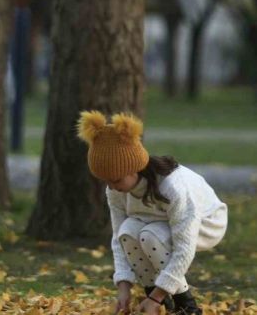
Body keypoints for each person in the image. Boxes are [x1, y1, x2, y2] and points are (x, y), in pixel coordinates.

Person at [77, 111, 228, 315]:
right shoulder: (115, 189)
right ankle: (159, 305)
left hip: (206, 223)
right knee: (128, 231)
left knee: (150, 236)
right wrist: (123, 286)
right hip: (156, 223)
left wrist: (154, 297)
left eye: (116, 179)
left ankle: (187, 307)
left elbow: (184, 247)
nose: (111, 186)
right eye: (106, 180)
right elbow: (118, 238)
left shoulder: (174, 187)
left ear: (134, 168)